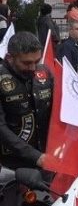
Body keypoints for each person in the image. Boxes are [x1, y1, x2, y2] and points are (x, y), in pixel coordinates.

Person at [0, 33, 53, 171]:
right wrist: (35, 157)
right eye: (27, 63)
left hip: (46, 157)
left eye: (37, 61)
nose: (33, 68)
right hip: (11, 164)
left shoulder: (45, 73)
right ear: (10, 58)